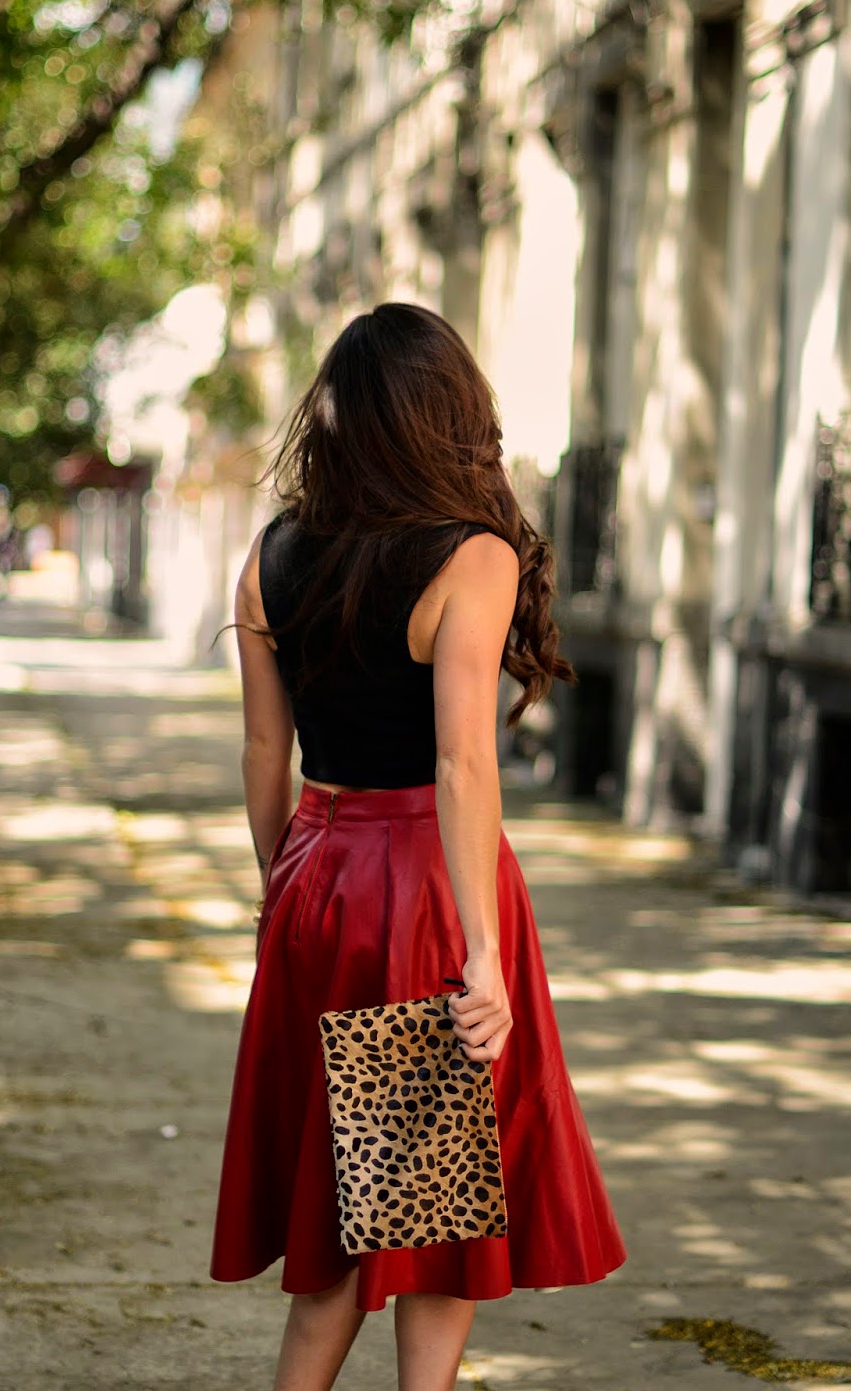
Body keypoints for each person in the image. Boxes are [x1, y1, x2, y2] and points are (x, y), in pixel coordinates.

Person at [211, 303, 625, 1391]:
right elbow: (461, 766)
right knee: (418, 1224)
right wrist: (481, 950)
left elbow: (265, 748)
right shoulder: (471, 556)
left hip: (314, 873)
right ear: (449, 413)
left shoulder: (267, 556)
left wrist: (281, 890)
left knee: (360, 1213)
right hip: (420, 893)